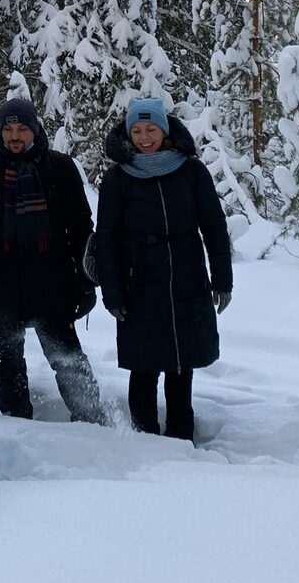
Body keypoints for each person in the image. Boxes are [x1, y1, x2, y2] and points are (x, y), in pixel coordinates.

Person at [0, 96, 106, 424]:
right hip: (0, 283)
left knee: (67, 357)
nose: (14, 136)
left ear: (35, 129)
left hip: (52, 282)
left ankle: (94, 422)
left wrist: (86, 281)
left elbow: (81, 229)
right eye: (8, 128)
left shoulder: (60, 168)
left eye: (22, 128)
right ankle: (18, 424)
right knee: (6, 358)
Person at [93, 95, 232, 441]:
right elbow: (106, 238)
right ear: (128, 134)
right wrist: (111, 291)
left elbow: (214, 226)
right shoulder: (117, 178)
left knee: (181, 365)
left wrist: (222, 279)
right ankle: (144, 440)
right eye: (137, 130)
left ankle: (182, 436)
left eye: (151, 128)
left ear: (164, 130)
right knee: (143, 366)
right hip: (137, 281)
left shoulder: (190, 171)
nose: (144, 137)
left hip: (186, 275)